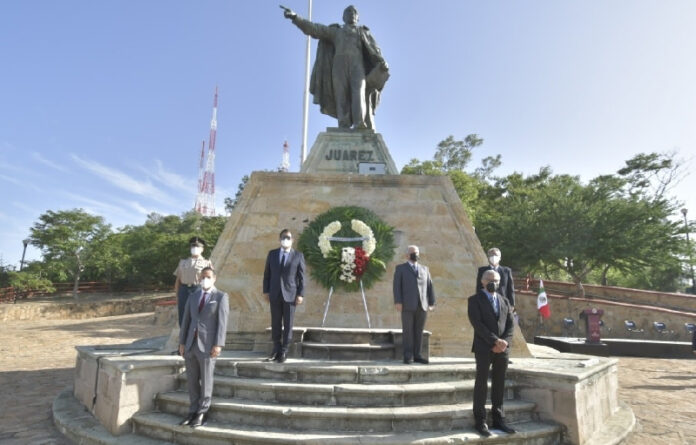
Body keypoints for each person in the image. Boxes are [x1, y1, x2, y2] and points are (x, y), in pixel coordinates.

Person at [282, 5, 389, 130]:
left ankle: (359, 123)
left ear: (358, 18)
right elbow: (315, 29)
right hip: (339, 66)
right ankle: (343, 124)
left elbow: (374, 49)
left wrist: (381, 61)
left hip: (357, 66)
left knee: (359, 93)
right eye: (348, 12)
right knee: (341, 94)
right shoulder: (336, 31)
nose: (352, 14)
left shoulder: (362, 32)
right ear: (343, 17)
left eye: (354, 13)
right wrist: (295, 18)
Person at [178, 267, 229, 428]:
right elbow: (186, 320)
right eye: (202, 277)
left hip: (208, 346)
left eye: (207, 277)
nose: (204, 280)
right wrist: (182, 343)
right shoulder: (193, 296)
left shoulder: (221, 297)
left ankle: (202, 412)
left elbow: (222, 323)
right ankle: (192, 411)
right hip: (190, 345)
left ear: (214, 278)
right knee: (192, 381)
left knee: (206, 380)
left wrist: (218, 344)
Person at [468, 269, 516, 437]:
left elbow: (510, 325)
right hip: (484, 347)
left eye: (495, 279)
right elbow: (477, 324)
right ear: (482, 281)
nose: (492, 282)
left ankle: (498, 419)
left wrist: (504, 343)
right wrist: (495, 341)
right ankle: (480, 421)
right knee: (481, 383)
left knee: (499, 383)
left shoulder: (504, 300)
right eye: (489, 279)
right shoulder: (474, 300)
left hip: (502, 350)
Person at [263, 229, 306, 363]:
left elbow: (302, 277)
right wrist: (266, 291)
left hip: (291, 295)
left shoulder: (298, 255)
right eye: (283, 237)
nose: (285, 239)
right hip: (275, 293)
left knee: (288, 323)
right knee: (275, 322)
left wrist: (300, 294)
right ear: (279, 239)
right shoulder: (272, 254)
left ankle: (284, 350)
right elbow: (267, 274)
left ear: (292, 240)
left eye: (288, 237)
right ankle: (276, 348)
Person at [393, 245, 435, 364]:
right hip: (407, 304)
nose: (415, 254)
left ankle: (417, 355)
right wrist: (398, 301)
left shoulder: (425, 269)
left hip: (422, 305)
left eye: (416, 252)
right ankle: (408, 355)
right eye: (412, 252)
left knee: (419, 331)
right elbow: (397, 287)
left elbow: (430, 286)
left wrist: (431, 302)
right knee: (408, 331)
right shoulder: (401, 268)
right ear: (407, 255)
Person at [174, 236, 213, 326]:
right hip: (183, 290)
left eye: (197, 247)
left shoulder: (207, 263)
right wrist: (177, 295)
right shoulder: (182, 262)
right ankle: (184, 336)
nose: (195, 248)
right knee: (183, 315)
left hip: (197, 289)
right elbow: (178, 280)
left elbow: (211, 280)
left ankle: (197, 337)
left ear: (202, 249)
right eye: (193, 246)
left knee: (197, 314)